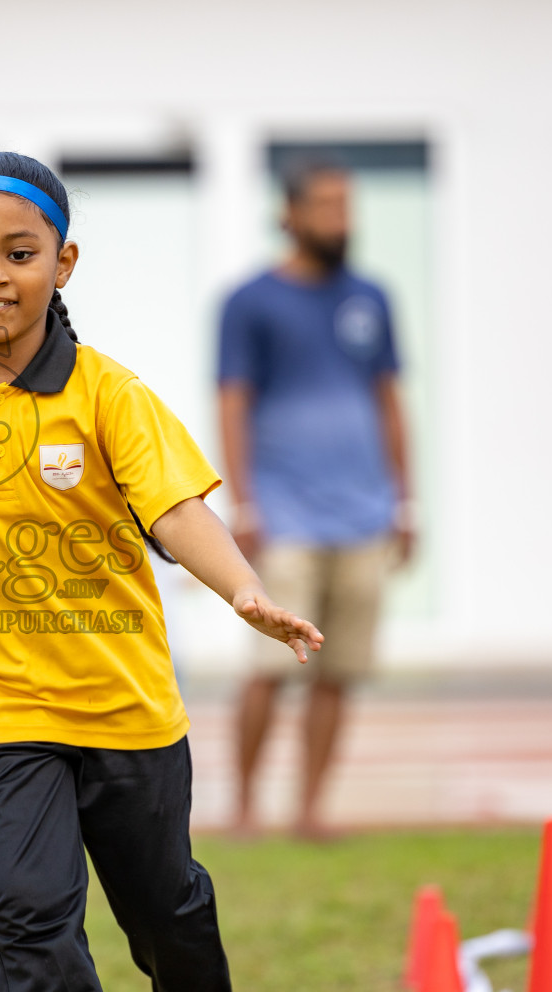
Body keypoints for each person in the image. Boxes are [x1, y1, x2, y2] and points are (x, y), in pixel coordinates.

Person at [0, 151, 323, 992]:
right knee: (28, 915)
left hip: (124, 703)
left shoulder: (109, 395)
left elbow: (176, 510)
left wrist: (244, 589)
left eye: (19, 253)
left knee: (165, 910)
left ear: (62, 262)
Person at [216, 157, 415, 842]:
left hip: (363, 514)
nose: (341, 219)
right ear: (290, 215)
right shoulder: (249, 302)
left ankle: (309, 812)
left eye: (347, 205)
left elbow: (390, 401)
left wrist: (404, 503)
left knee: (340, 671)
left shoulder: (372, 299)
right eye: (327, 205)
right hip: (286, 513)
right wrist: (244, 505)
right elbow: (232, 404)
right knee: (270, 670)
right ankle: (242, 808)